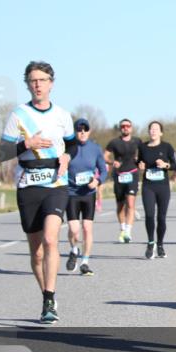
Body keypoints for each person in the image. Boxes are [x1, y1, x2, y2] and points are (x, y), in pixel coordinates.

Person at [0, 61, 76, 324]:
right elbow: (2, 153)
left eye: (42, 80)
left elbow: (73, 145)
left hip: (56, 183)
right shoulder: (18, 115)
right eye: (33, 80)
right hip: (28, 184)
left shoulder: (62, 115)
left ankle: (49, 300)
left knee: (51, 240)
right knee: (37, 251)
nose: (38, 84)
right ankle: (45, 293)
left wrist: (67, 156)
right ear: (27, 84)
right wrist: (26, 143)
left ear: (51, 83)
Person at [65, 118, 108, 276]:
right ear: (75, 132)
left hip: (88, 194)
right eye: (79, 129)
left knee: (87, 228)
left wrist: (97, 181)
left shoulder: (95, 148)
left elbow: (103, 171)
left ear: (89, 131)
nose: (82, 132)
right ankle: (74, 249)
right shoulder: (68, 148)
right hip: (71, 193)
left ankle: (85, 262)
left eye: (85, 129)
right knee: (74, 229)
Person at [137, 120, 176, 259]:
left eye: (156, 129)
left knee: (161, 218)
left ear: (161, 133)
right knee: (149, 215)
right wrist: (140, 166)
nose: (153, 131)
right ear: (149, 132)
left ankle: (160, 244)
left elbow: (175, 165)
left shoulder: (167, 147)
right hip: (148, 186)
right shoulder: (142, 147)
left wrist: (166, 165)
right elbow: (139, 162)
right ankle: (150, 243)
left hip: (163, 187)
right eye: (151, 129)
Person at [105, 118, 142, 243]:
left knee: (131, 204)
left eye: (128, 126)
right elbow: (105, 156)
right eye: (123, 126)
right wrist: (112, 162)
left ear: (131, 128)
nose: (125, 128)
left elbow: (143, 154)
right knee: (120, 205)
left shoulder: (137, 141)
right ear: (120, 128)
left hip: (132, 173)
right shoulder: (114, 142)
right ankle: (122, 228)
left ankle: (128, 232)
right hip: (119, 175)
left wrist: (140, 160)